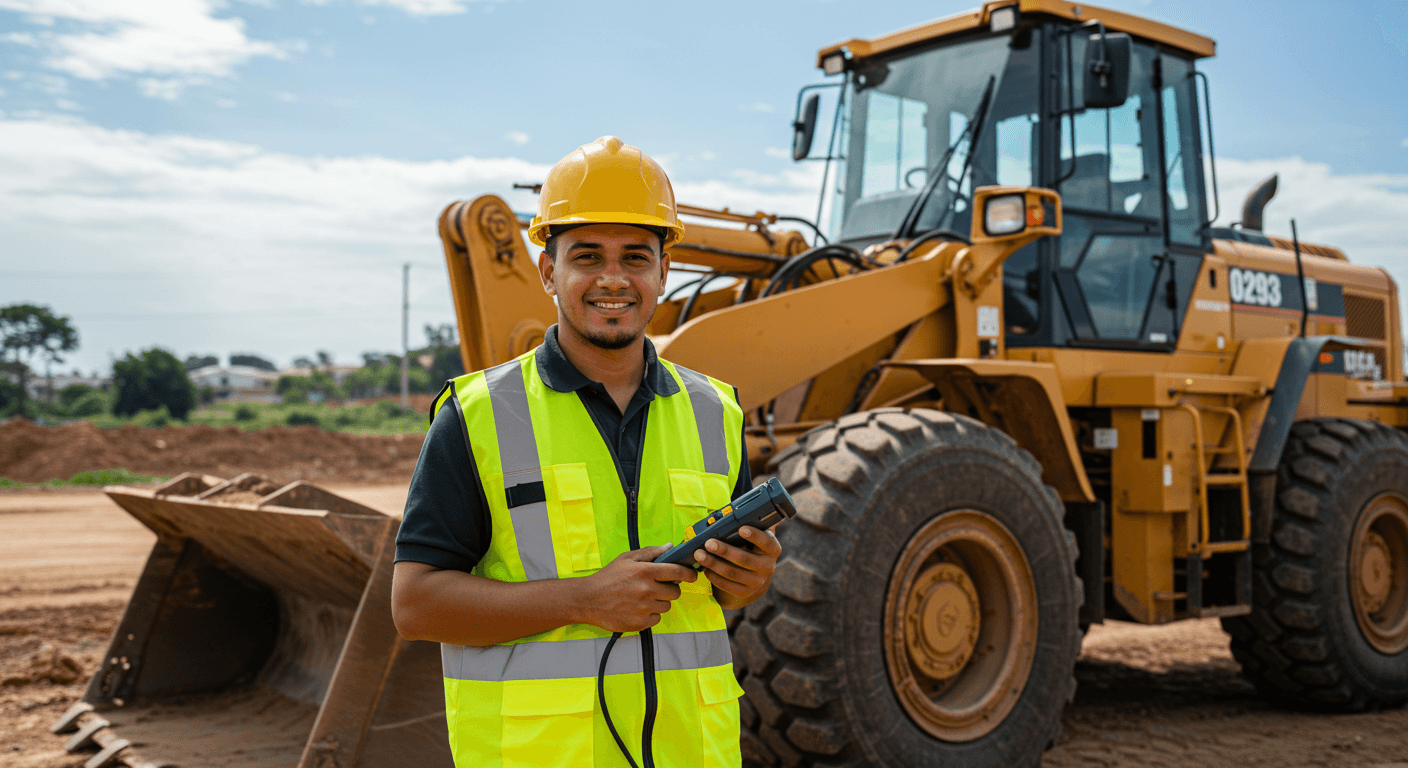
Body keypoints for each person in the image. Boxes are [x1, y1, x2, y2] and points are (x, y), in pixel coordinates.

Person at [391, 135, 781, 768]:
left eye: (635, 255)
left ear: (664, 271)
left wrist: (746, 582)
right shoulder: (476, 416)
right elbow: (414, 604)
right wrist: (583, 600)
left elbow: (719, 597)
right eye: (587, 255)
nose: (613, 278)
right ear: (549, 271)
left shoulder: (717, 411)